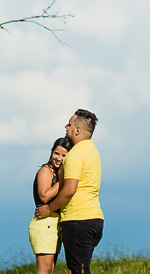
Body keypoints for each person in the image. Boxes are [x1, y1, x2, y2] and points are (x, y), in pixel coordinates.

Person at [35, 110, 103, 274]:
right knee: (80, 269)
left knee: (77, 270)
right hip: (95, 219)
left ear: (78, 129)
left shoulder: (75, 154)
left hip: (77, 219)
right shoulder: (93, 152)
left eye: (70, 124)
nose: (66, 127)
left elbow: (69, 190)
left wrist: (48, 209)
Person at [28, 136, 72, 274]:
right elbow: (44, 195)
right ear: (51, 152)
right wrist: (63, 182)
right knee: (44, 269)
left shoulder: (58, 172)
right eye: (56, 153)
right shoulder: (45, 170)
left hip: (54, 223)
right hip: (44, 222)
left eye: (64, 155)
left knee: (50, 269)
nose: (59, 158)